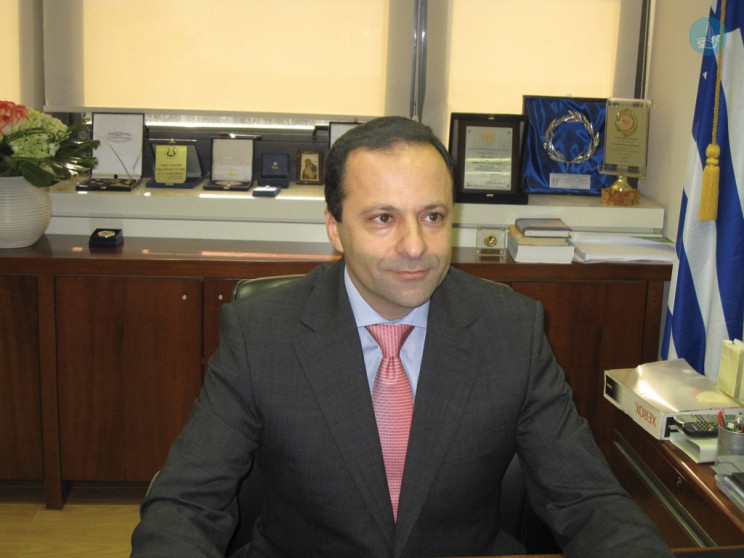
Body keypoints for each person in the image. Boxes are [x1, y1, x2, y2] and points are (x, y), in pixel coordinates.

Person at [131, 116, 673, 557]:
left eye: (432, 216)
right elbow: (187, 503)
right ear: (334, 227)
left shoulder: (511, 331)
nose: (415, 246)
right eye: (383, 218)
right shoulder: (261, 335)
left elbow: (587, 500)